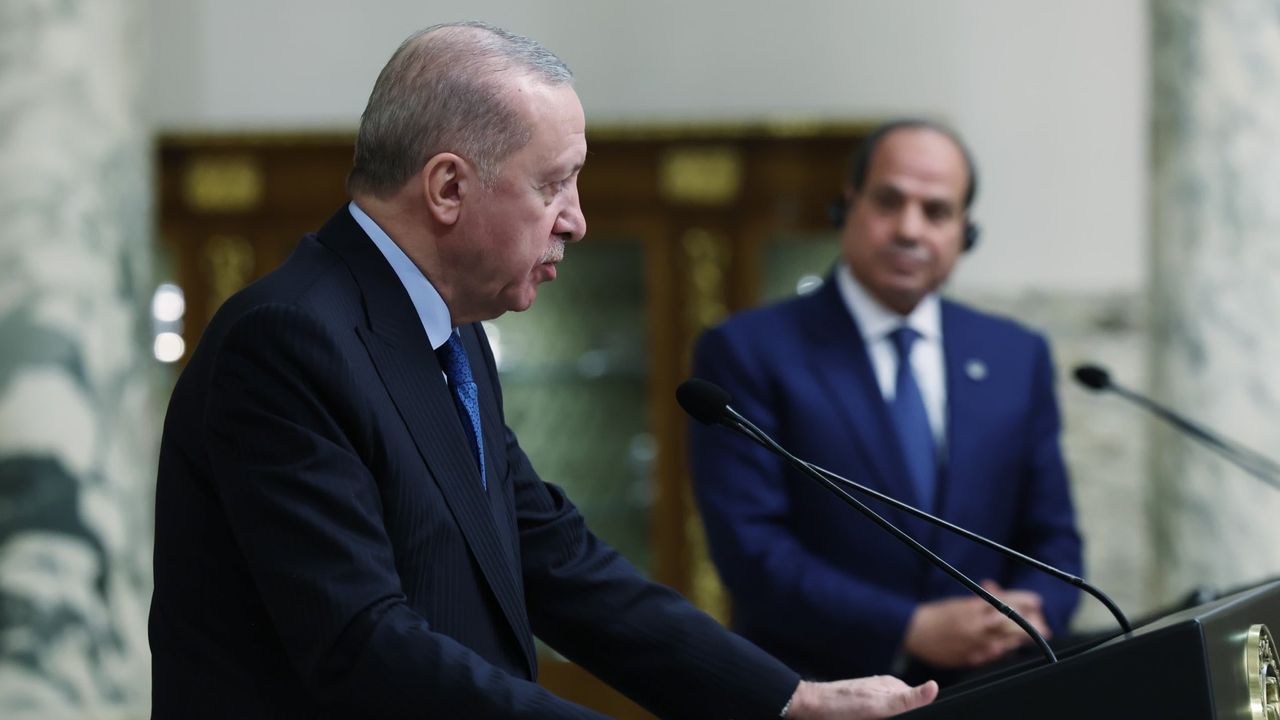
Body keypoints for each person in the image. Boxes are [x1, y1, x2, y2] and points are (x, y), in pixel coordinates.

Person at [148, 23, 937, 719]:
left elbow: (558, 563)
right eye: (553, 183)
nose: (577, 220)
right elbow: (363, 644)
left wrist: (786, 700)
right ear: (448, 187)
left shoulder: (450, 337)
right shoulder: (288, 340)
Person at [688, 119, 1084, 685]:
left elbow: (1054, 538)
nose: (909, 230)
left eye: (936, 212)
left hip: (992, 689)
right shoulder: (748, 351)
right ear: (846, 206)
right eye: (889, 202)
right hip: (821, 691)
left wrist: (1031, 612)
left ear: (966, 233)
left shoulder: (1016, 356)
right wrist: (907, 627)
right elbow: (752, 552)